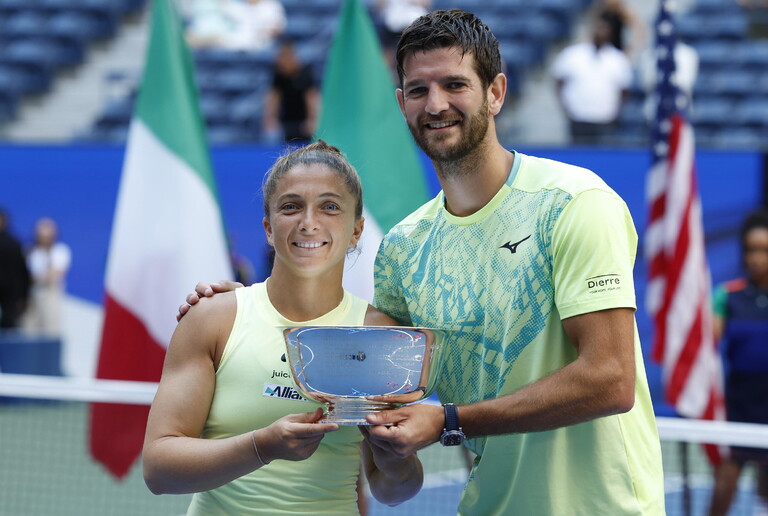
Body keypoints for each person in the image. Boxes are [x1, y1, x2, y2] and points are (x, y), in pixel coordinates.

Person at [180, 9, 665, 515]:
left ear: (496, 92)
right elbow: (365, 371)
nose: (436, 105)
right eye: (418, 90)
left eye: (455, 84)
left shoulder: (575, 202)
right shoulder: (405, 247)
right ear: (401, 102)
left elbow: (609, 379)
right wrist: (248, 307)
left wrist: (450, 420)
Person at [143, 141, 423, 515]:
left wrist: (393, 457)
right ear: (268, 228)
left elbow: (394, 490)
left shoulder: (380, 337)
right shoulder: (214, 318)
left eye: (330, 206)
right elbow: (159, 470)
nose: (309, 222)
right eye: (291, 206)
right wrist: (261, 446)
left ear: (356, 231)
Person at [707, 209, 768, 516]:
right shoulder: (727, 295)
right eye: (751, 250)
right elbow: (708, 342)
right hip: (739, 410)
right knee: (723, 489)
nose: (757, 258)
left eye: (766, 250)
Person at [552, 13, 633, 145]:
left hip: (605, 120)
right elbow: (558, 82)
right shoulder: (573, 54)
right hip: (578, 118)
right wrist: (566, 109)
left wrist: (616, 113)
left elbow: (625, 89)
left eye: (605, 28)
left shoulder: (618, 59)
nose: (601, 32)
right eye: (598, 27)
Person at [263, 40, 319, 144]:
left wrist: (312, 119)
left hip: (303, 122)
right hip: (286, 122)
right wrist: (271, 117)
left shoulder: (304, 73)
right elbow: (274, 97)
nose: (281, 61)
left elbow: (311, 97)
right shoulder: (279, 75)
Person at [22, 217, 71, 337]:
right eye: (40, 231)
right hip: (31, 296)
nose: (43, 235)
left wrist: (38, 277)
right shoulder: (30, 251)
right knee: (28, 330)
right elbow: (24, 275)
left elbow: (54, 274)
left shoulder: (60, 251)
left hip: (50, 294)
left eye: (47, 231)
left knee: (50, 331)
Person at [0, 208, 30, 329]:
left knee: (9, 326)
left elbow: (21, 271)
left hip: (10, 294)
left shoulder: (14, 243)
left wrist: (22, 296)